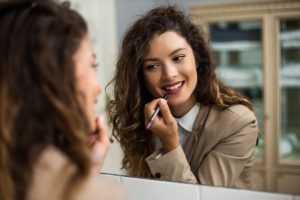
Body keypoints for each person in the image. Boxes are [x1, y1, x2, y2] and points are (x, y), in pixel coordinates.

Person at [107, 6, 259, 189]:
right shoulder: (142, 122)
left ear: (196, 58)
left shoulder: (237, 123)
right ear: (141, 77)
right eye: (152, 66)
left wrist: (170, 144)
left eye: (178, 58)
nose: (169, 74)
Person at [0, 0, 125, 199]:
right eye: (93, 64)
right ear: (58, 79)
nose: (99, 87)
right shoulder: (102, 193)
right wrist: (84, 184)